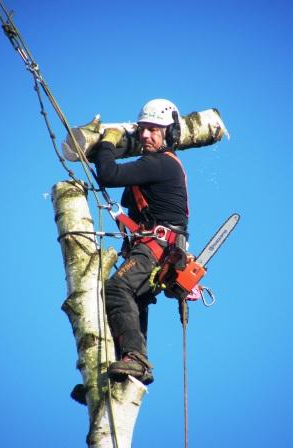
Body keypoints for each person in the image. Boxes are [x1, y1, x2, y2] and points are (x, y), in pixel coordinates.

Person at [94, 99, 189, 385]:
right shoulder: (153, 167)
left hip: (157, 248)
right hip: (150, 248)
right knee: (128, 301)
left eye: (154, 130)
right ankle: (122, 370)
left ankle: (135, 358)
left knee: (117, 289)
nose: (146, 135)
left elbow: (109, 174)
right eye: (143, 130)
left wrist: (106, 144)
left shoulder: (160, 164)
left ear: (169, 133)